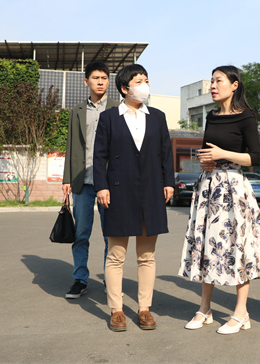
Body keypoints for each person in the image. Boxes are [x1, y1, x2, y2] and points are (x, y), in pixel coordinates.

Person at [178, 65, 260, 335]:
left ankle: (241, 312)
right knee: (206, 243)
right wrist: (206, 161)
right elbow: (208, 151)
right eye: (211, 81)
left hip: (233, 186)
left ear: (234, 85)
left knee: (238, 244)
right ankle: (204, 309)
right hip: (209, 186)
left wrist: (223, 154)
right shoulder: (211, 116)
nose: (212, 86)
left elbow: (256, 157)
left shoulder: (247, 116)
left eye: (218, 81)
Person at [93, 64, 174, 332]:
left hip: (151, 190)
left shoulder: (158, 117)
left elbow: (166, 152)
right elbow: (99, 156)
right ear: (124, 88)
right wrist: (101, 187)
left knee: (147, 255)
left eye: (146, 80)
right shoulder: (109, 118)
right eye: (139, 81)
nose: (145, 85)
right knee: (116, 255)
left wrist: (169, 182)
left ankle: (144, 308)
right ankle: (116, 310)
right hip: (118, 191)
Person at [62, 61, 118, 299]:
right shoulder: (77, 110)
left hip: (109, 182)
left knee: (110, 234)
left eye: (104, 78)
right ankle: (80, 279)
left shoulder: (118, 108)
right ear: (86, 81)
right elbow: (71, 145)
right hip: (82, 181)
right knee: (81, 234)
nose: (100, 82)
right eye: (96, 78)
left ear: (109, 81)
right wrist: (67, 178)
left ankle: (110, 279)